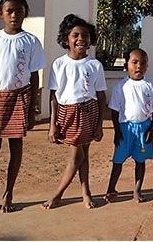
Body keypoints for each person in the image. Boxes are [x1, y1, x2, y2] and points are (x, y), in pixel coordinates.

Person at [43, 14, 107, 209]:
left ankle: (83, 192)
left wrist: (99, 125)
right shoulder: (59, 64)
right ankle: (62, 193)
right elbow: (53, 96)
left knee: (82, 154)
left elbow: (101, 96)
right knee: (77, 155)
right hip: (67, 113)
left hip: (89, 111)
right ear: (66, 39)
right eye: (76, 35)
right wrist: (52, 124)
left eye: (86, 35)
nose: (81, 39)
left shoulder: (94, 65)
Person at [0, 0, 47, 213]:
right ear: (1, 14)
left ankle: (9, 193)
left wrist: (31, 108)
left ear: (25, 13)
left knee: (16, 147)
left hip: (19, 97)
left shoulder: (31, 41)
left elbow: (34, 75)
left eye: (19, 11)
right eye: (10, 11)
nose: (14, 15)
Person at [104, 48, 153, 203]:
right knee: (118, 161)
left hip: (144, 128)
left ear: (147, 66)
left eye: (143, 63)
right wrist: (117, 131)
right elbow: (114, 110)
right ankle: (111, 189)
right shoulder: (121, 86)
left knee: (140, 161)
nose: (139, 66)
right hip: (125, 129)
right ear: (127, 64)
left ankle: (137, 190)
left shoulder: (150, 84)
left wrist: (151, 129)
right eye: (135, 62)